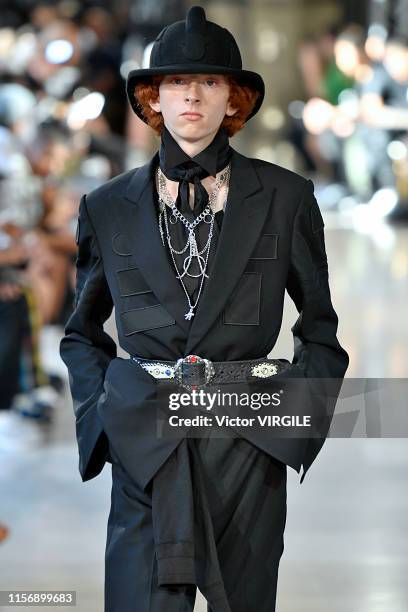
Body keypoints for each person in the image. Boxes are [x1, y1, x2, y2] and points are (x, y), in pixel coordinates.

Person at [60, 6, 349, 611]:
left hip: (248, 443)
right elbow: (81, 333)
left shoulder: (286, 198)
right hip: (146, 440)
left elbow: (320, 328)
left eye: (210, 82)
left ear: (233, 100)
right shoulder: (107, 207)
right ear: (152, 100)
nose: (192, 95)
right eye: (175, 83)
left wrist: (293, 428)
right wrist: (106, 418)